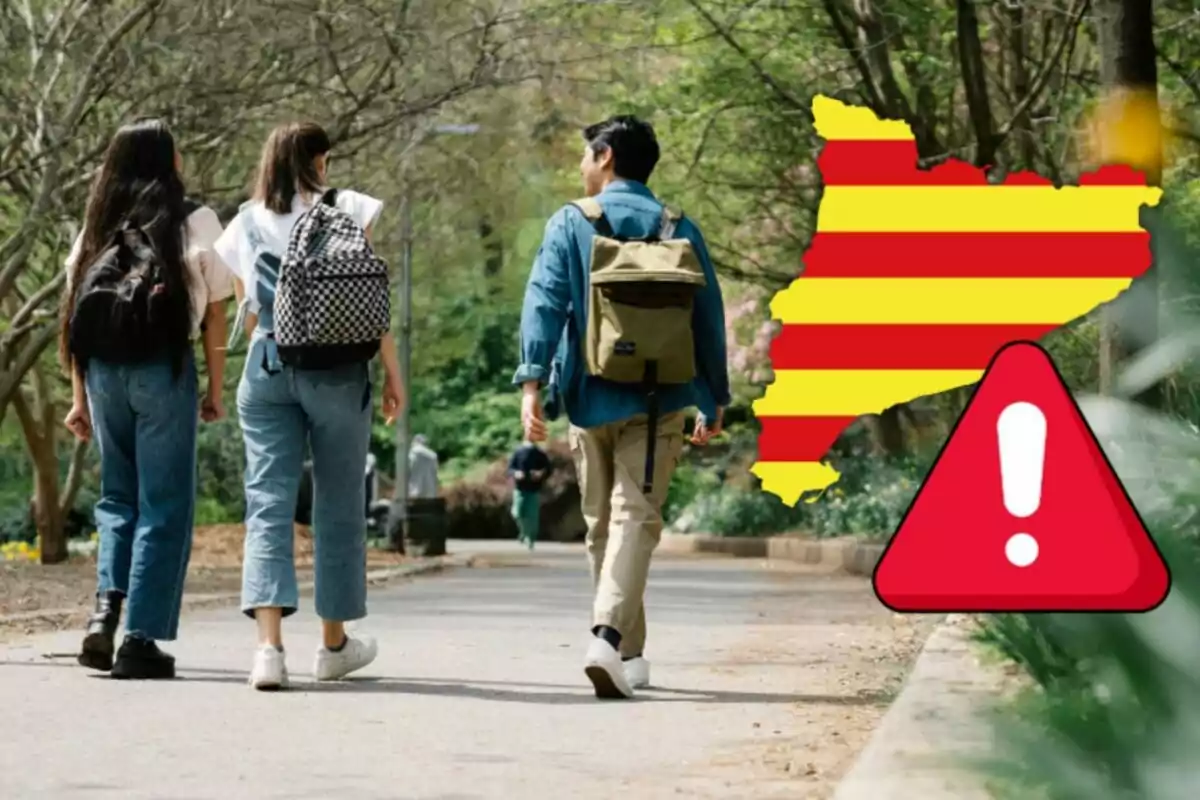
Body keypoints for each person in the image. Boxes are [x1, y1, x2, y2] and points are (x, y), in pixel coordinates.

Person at [514, 115, 731, 699]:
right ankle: (627, 652)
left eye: (587, 155)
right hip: (661, 397)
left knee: (603, 528)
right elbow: (708, 318)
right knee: (628, 522)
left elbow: (544, 303)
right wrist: (714, 397)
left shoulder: (570, 223)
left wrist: (532, 382)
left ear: (605, 156)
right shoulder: (679, 226)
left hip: (589, 398)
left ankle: (605, 636)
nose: (582, 166)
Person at [214, 121, 406, 690]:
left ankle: (268, 651)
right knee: (340, 505)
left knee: (268, 503)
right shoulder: (349, 208)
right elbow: (372, 301)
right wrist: (393, 375)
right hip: (340, 373)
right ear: (321, 161)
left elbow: (242, 299)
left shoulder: (245, 221)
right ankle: (332, 645)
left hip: (267, 364)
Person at [61, 118, 233, 679]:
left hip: (104, 373)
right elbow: (215, 311)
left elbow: (73, 318)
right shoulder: (196, 219)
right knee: (164, 504)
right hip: (163, 368)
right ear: (168, 161)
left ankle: (102, 616)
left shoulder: (96, 224)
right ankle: (140, 638)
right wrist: (214, 386)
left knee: (118, 499)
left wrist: (78, 397)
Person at [507, 441, 553, 550]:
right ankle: (523, 532)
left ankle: (530, 539)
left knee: (532, 516)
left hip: (533, 489)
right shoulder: (518, 451)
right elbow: (510, 469)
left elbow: (548, 469)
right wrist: (516, 473)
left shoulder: (539, 453)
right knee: (517, 513)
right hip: (519, 488)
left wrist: (540, 473)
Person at [408, 434, 439, 500]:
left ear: (415, 442)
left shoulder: (412, 453)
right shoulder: (433, 455)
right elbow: (435, 471)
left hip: (415, 491)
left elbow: (408, 469)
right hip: (430, 490)